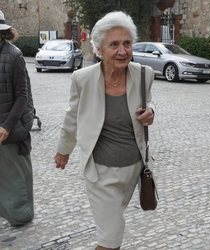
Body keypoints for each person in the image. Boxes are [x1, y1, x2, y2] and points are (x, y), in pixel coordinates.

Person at [54, 11, 155, 250]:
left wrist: (151, 111)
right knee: (111, 237)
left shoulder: (143, 74)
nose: (122, 51)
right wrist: (63, 149)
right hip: (100, 173)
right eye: (114, 45)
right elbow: (72, 117)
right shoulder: (83, 79)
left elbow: (148, 101)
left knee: (113, 226)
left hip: (133, 170)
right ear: (99, 48)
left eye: (127, 43)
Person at [0, 10, 34, 226]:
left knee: (17, 177)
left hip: (10, 129)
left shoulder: (15, 55)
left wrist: (7, 126)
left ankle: (21, 215)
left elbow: (22, 96)